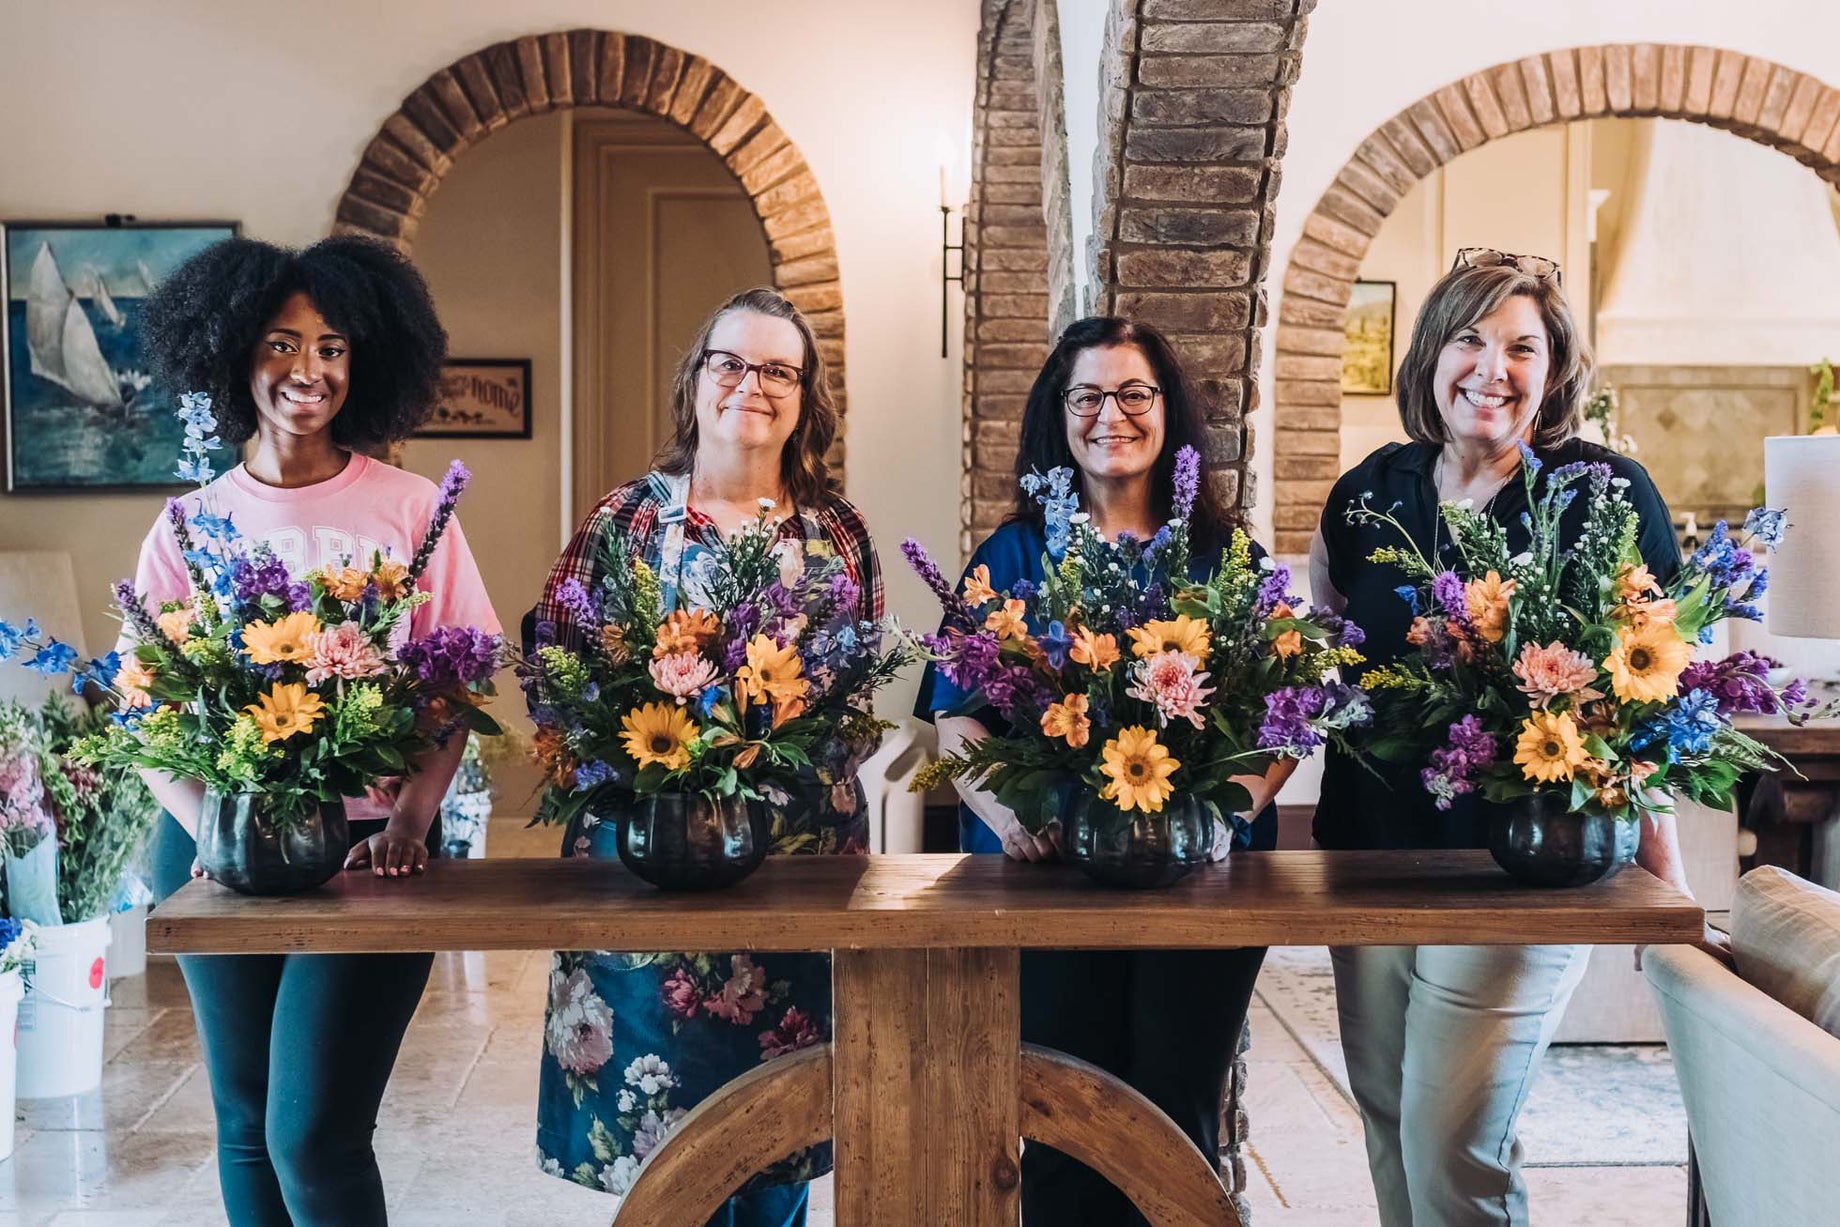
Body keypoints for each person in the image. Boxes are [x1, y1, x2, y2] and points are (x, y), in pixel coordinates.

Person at [1310, 248, 1697, 1226]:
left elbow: (1644, 694)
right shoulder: (1368, 491)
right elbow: (1326, 659)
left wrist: (1665, 872)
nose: (1493, 368)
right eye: (1469, 340)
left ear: (1555, 369)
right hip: (1368, 852)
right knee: (1389, 1117)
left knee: (1453, 1147)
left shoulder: (1601, 492)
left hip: (1519, 859)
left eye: (1522, 347)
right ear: (1430, 355)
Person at [137, 236, 500, 1226]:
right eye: (282, 344)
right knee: (247, 1122)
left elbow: (454, 678)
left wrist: (413, 817)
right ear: (231, 355)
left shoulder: (413, 509)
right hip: (221, 842)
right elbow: (149, 705)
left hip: (370, 850)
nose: (310, 370)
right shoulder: (187, 525)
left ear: (366, 360)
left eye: (333, 346)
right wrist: (207, 822)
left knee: (314, 1133)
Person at [916, 316, 1290, 1225]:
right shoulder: (1010, 554)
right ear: (1059, 413)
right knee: (1057, 1116)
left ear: (1169, 413)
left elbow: (1286, 714)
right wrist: (1009, 820)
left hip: (1198, 890)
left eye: (1133, 393)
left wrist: (1223, 814)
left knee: (1175, 1116)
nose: (1110, 414)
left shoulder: (1225, 554)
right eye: (1086, 395)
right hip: (1046, 883)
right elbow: (954, 710)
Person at [529, 287, 881, 1227]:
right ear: (696, 381)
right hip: (648, 868)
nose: (751, 386)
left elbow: (856, 697)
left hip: (797, 864)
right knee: (666, 1151)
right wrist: (646, 760)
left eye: (778, 370)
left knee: (778, 1133)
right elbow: (554, 674)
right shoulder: (627, 521)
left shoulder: (837, 532)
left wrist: (771, 744)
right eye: (731, 362)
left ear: (806, 397)